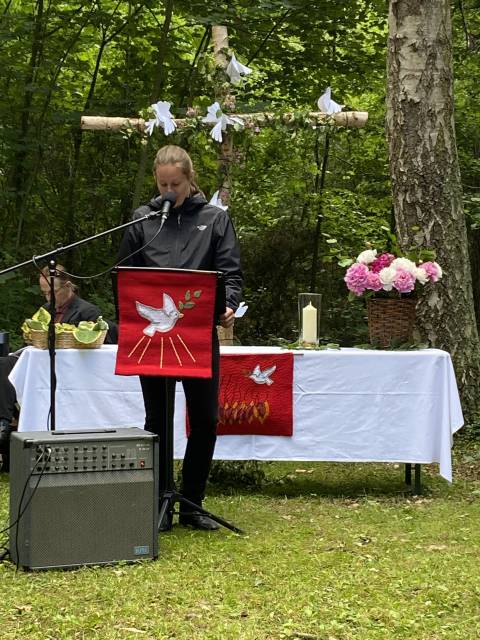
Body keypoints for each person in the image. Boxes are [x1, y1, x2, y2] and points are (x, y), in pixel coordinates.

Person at [118, 145, 242, 530]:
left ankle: (191, 503)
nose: (170, 190)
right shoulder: (143, 219)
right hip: (152, 338)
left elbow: (231, 273)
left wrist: (229, 304)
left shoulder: (214, 219)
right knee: (158, 417)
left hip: (198, 333)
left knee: (204, 417)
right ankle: (159, 502)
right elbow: (123, 273)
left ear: (190, 179)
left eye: (176, 183)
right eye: (163, 184)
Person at [0, 265, 117, 469]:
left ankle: (6, 424)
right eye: (44, 293)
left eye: (52, 292)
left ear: (68, 286)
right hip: (41, 363)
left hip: (67, 369)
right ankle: (4, 422)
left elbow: (89, 345)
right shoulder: (47, 309)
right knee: (3, 365)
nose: (48, 298)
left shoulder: (87, 310)